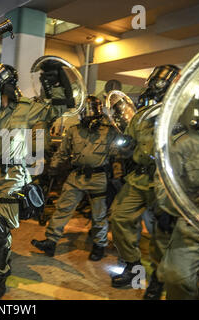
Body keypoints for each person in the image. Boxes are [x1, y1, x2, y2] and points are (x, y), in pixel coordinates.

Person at [0, 61, 71, 300]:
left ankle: (0, 274)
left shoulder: (26, 108)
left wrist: (55, 82)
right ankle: (5, 258)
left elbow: (59, 108)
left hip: (13, 176)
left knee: (2, 226)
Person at [109, 65, 181, 290]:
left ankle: (158, 279)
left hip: (164, 182)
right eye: (152, 82)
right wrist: (124, 151)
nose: (152, 87)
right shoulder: (141, 115)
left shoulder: (180, 115)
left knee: (162, 231)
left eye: (158, 83)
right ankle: (132, 266)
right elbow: (127, 142)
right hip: (138, 178)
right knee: (119, 217)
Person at [31, 96, 120, 261]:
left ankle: (99, 245)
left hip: (98, 177)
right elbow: (63, 151)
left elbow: (118, 154)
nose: (87, 116)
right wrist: (53, 166)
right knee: (63, 208)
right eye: (84, 113)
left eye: (90, 113)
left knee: (99, 215)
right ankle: (51, 241)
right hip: (76, 176)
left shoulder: (109, 131)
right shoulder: (74, 130)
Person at [156, 74, 199, 300]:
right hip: (194, 219)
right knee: (175, 277)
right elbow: (164, 189)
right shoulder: (184, 142)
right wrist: (181, 211)